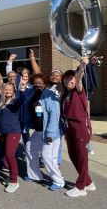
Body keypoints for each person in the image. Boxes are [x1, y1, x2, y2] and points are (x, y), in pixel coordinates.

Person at [23, 74, 65, 191]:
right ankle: (35, 175)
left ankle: (59, 181)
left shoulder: (50, 95)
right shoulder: (32, 94)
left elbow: (54, 115)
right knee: (29, 148)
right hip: (38, 130)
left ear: (45, 83)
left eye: (40, 82)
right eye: (35, 82)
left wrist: (50, 134)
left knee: (48, 156)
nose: (38, 84)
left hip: (51, 132)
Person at [62, 57, 96, 197]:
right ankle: (88, 182)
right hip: (69, 128)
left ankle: (80, 186)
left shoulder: (78, 91)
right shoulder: (65, 95)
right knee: (73, 155)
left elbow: (80, 77)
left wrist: (82, 67)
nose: (69, 81)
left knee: (82, 157)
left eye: (71, 79)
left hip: (81, 128)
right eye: (66, 79)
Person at [0, 80, 25, 193]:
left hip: (13, 132)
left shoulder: (15, 101)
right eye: (6, 89)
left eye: (10, 90)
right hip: (2, 133)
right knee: (4, 156)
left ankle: (14, 181)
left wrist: (22, 90)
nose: (7, 91)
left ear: (13, 91)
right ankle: (12, 175)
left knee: (10, 155)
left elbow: (22, 100)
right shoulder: (1, 103)